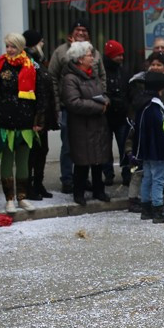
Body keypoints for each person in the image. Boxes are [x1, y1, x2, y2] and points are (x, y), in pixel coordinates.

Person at [0, 32, 45, 213]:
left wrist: (38, 119)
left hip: (25, 122)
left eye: (13, 46)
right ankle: (9, 198)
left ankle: (22, 197)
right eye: (7, 46)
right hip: (5, 122)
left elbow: (40, 95)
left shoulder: (32, 66)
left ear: (20, 47)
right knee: (7, 161)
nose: (9, 50)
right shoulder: (0, 66)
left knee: (23, 162)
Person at [49, 20, 104, 194]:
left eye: (84, 30)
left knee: (91, 147)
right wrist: (57, 106)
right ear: (70, 34)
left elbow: (101, 77)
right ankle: (68, 179)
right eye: (78, 29)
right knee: (69, 146)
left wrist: (102, 100)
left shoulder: (95, 53)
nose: (81, 32)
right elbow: (52, 78)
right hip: (69, 107)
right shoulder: (61, 52)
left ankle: (84, 180)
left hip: (94, 108)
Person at [61, 40, 111, 206]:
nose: (93, 58)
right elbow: (73, 102)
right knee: (82, 162)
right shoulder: (70, 78)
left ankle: (99, 190)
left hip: (97, 125)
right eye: (90, 55)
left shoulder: (93, 74)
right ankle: (79, 192)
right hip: (81, 126)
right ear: (80, 58)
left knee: (98, 160)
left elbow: (101, 92)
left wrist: (105, 101)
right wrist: (98, 107)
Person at [134, 70, 164, 223]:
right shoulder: (154, 105)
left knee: (147, 178)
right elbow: (161, 127)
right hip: (157, 148)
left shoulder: (142, 102)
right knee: (158, 179)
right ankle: (158, 210)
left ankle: (146, 209)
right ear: (159, 88)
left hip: (146, 147)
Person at [22, 29, 55, 200]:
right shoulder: (27, 61)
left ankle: (38, 183)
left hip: (43, 114)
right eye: (41, 42)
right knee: (32, 152)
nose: (43, 45)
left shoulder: (37, 61)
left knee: (42, 150)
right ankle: (28, 187)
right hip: (32, 115)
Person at [102, 39, 132, 188]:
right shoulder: (102, 71)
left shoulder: (124, 70)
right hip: (105, 116)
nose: (121, 58)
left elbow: (129, 90)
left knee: (124, 146)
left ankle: (127, 173)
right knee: (105, 147)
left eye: (122, 55)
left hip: (122, 116)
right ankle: (108, 174)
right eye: (118, 55)